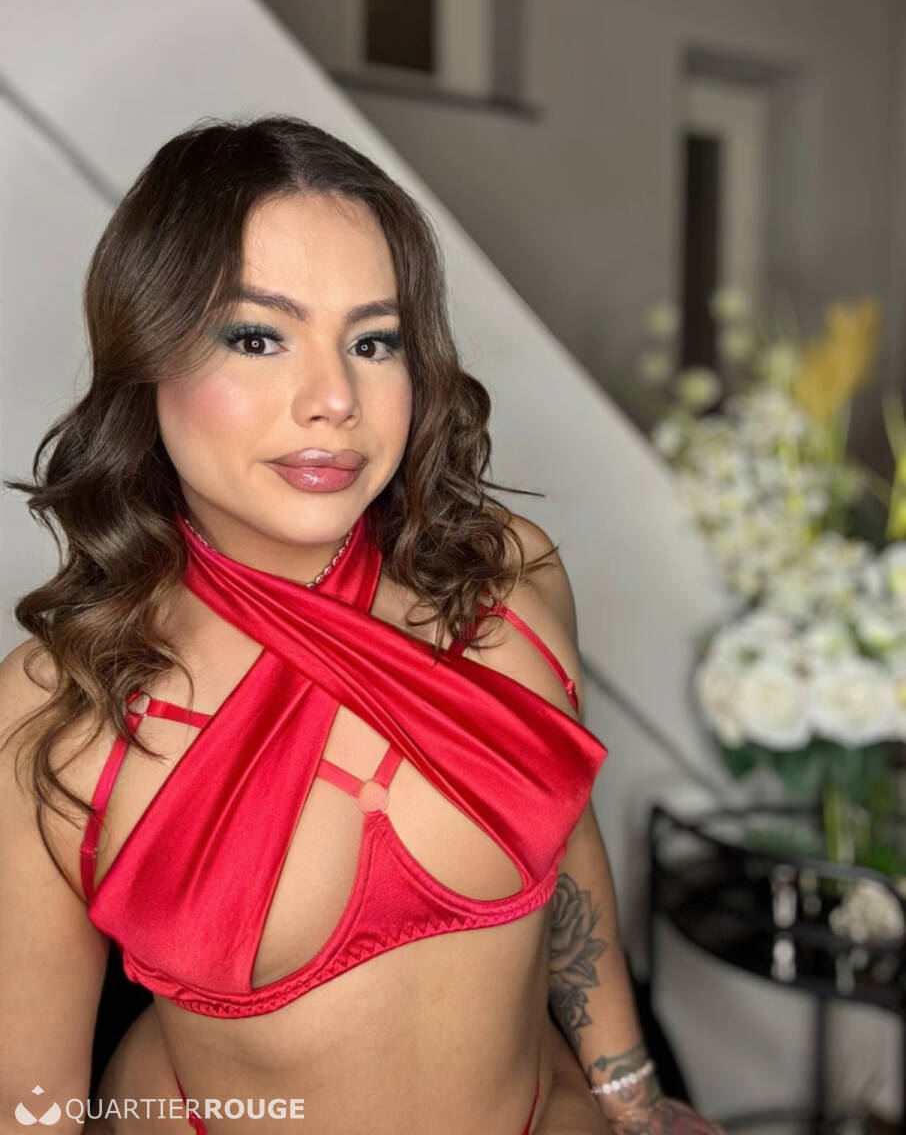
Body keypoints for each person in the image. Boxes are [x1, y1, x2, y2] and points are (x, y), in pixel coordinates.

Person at [0, 116, 726, 1135]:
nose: (334, 399)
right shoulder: (56, 713)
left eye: (373, 341)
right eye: (258, 337)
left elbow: (567, 850)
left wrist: (633, 1098)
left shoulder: (504, 578)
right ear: (146, 353)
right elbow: (28, 1109)